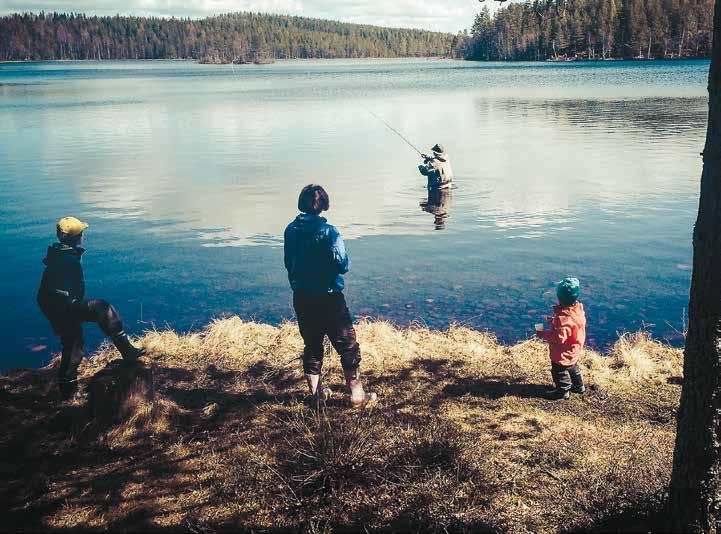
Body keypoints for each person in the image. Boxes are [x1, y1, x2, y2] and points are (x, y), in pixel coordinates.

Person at [284, 185, 377, 407]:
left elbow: (289, 263)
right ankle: (356, 396)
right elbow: (342, 265)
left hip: (303, 298)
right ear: (323, 204)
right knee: (347, 345)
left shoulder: (290, 230)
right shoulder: (330, 232)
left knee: (312, 345)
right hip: (329, 298)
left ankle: (316, 397)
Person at [37, 216, 146, 398]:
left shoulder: (61, 254)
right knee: (102, 309)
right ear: (74, 237)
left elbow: (45, 293)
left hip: (61, 307)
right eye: (81, 233)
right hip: (64, 308)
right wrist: (65, 309)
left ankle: (67, 391)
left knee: (73, 344)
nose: (82, 235)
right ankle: (127, 351)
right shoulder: (65, 260)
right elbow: (50, 291)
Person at [536, 278, 587, 400]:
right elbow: (570, 326)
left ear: (559, 297)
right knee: (573, 366)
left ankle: (562, 391)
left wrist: (543, 334)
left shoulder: (562, 319)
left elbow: (559, 338)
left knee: (559, 370)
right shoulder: (578, 309)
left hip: (562, 351)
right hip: (574, 347)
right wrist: (554, 321)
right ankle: (579, 386)